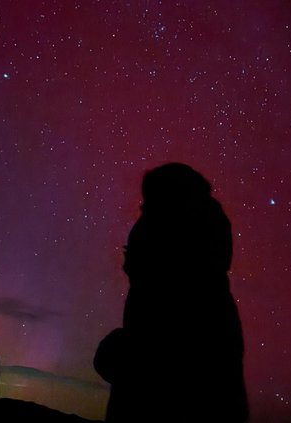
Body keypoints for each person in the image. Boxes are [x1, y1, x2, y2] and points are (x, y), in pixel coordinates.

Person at [94, 163, 249, 422]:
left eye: (147, 208)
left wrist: (120, 354)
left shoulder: (180, 294)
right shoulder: (208, 294)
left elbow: (166, 368)